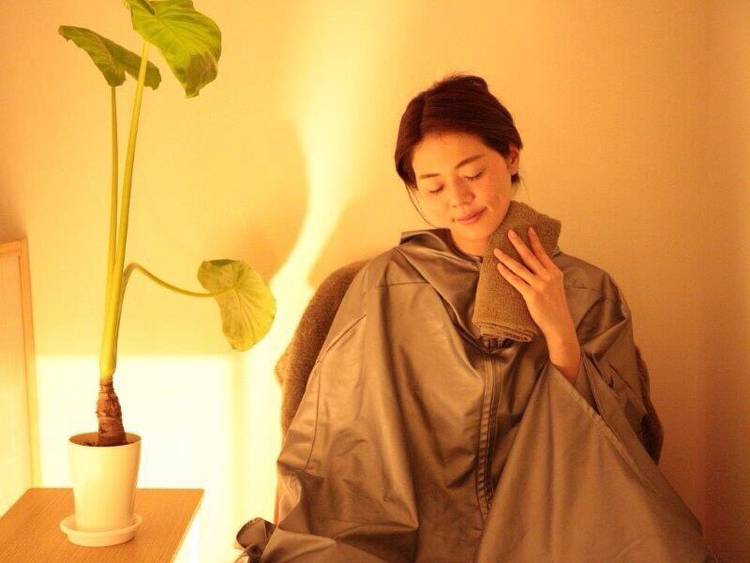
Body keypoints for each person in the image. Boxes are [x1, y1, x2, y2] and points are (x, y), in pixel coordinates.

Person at [238, 74, 717, 562]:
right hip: (406, 535)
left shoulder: (587, 289)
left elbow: (627, 449)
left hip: (550, 529)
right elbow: (332, 442)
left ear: (510, 157)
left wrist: (558, 330)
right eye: (433, 186)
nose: (458, 198)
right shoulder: (385, 283)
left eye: (472, 174)